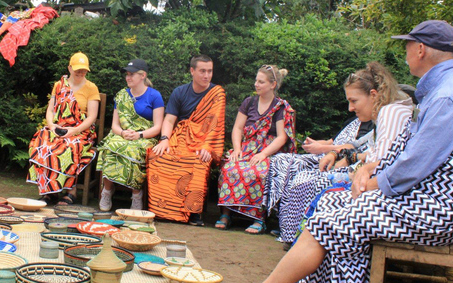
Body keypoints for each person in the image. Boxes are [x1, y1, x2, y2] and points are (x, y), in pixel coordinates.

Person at [201, 21, 453, 283]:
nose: (406, 52)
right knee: (331, 202)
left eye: (408, 45)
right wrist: (369, 168)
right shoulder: (447, 92)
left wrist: (370, 183)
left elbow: (414, 166)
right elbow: (416, 154)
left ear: (420, 49)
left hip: (438, 211)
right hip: (423, 200)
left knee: (334, 216)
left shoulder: (450, 97)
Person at [275, 62, 413, 247]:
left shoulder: (390, 113)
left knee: (315, 182)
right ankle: (296, 238)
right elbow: (364, 147)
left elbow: (383, 161)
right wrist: (337, 154)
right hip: (366, 174)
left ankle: (302, 243)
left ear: (373, 95)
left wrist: (351, 161)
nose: (350, 108)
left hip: (375, 184)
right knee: (305, 177)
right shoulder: (382, 114)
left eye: (354, 101)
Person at [265, 117, 373, 245]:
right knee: (281, 160)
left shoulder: (375, 124)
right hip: (327, 156)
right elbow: (330, 142)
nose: (351, 108)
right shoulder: (353, 121)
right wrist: (315, 144)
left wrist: (323, 149)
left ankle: (295, 230)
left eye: (354, 101)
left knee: (301, 174)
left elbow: (352, 148)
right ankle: (285, 222)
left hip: (340, 163)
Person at [216, 65, 296, 233]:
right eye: (256, 81)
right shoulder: (249, 102)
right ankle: (226, 214)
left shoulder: (280, 107)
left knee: (260, 172)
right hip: (246, 148)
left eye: (261, 82)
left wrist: (263, 154)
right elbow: (238, 128)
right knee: (230, 167)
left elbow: (282, 137)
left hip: (269, 151)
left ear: (272, 84)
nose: (256, 85)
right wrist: (237, 149)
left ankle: (258, 218)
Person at [148, 55, 226, 225]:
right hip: (181, 139)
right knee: (157, 158)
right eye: (202, 71)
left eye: (210, 71)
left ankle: (193, 213)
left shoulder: (217, 94)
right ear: (192, 71)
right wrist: (164, 140)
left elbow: (215, 125)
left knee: (199, 161)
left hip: (204, 142)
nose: (206, 75)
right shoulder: (180, 92)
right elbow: (169, 120)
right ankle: (161, 210)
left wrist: (207, 146)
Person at [27, 52, 100, 205]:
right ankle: (50, 190)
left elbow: (92, 117)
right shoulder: (59, 85)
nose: (80, 73)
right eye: (77, 69)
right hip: (58, 127)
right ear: (69, 68)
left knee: (69, 147)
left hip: (81, 131)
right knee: (42, 144)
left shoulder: (91, 88)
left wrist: (74, 131)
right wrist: (52, 125)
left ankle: (71, 191)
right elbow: (51, 110)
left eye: (84, 70)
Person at [97, 59, 165, 211]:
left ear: (143, 76)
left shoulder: (154, 96)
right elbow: (115, 125)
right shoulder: (121, 96)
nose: (128, 77)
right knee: (110, 147)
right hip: (122, 135)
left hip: (145, 137)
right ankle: (107, 191)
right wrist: (122, 133)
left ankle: (136, 195)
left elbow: (158, 127)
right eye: (127, 74)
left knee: (133, 150)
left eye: (132, 74)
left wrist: (139, 135)